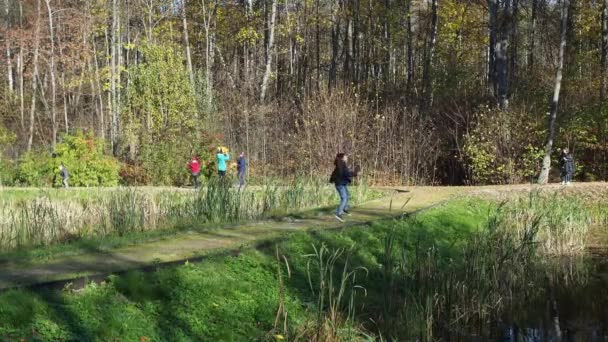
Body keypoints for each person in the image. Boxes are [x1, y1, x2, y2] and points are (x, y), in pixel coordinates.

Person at [329, 153, 359, 222]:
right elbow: (346, 173)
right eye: (346, 157)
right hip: (340, 184)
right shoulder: (341, 165)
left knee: (347, 196)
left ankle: (344, 209)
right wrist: (355, 173)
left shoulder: (341, 164)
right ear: (342, 158)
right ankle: (338, 214)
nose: (347, 158)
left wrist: (331, 180)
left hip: (342, 183)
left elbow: (336, 173)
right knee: (344, 198)